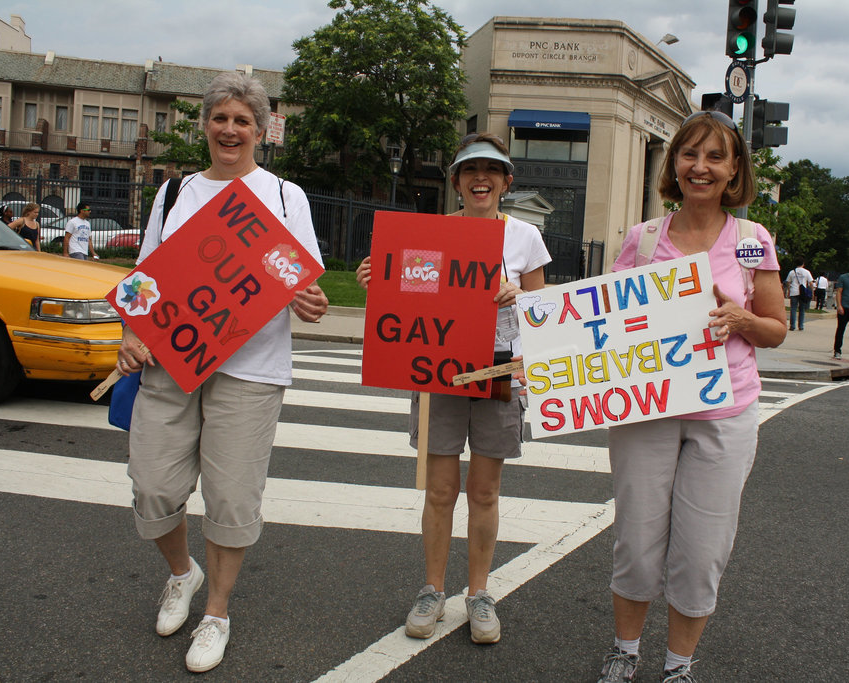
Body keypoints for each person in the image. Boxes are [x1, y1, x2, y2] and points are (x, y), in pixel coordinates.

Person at [116, 72, 329, 673]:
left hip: (251, 369)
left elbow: (303, 286)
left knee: (232, 496)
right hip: (172, 358)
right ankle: (181, 575)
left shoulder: (286, 197)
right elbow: (144, 276)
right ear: (205, 125)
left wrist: (308, 302)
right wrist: (130, 333)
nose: (230, 129)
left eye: (243, 120)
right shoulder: (173, 192)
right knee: (153, 483)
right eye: (220, 118)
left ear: (261, 131)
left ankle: (216, 611)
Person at [595, 110, 786, 683]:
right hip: (646, 409)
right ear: (673, 165)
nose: (700, 167)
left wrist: (744, 318)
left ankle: (678, 667)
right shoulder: (644, 239)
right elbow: (602, 320)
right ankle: (625, 654)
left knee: (702, 549)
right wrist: (552, 362)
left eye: (715, 157)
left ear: (734, 171)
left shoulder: (752, 242)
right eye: (689, 155)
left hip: (724, 414)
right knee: (637, 539)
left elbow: (775, 327)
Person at [355, 132, 551, 645]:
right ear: (457, 182)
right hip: (438, 373)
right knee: (440, 490)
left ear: (506, 181)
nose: (479, 178)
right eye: (469, 170)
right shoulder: (433, 233)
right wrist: (380, 277)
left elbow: (545, 310)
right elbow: (411, 294)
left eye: (490, 170)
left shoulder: (526, 238)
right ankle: (433, 589)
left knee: (485, 491)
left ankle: (480, 592)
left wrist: (521, 298)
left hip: (499, 373)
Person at [784, 257, 813, 330]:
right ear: (803, 263)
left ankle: (792, 326)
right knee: (802, 309)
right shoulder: (806, 272)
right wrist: (812, 292)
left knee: (793, 308)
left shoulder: (792, 272)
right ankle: (801, 326)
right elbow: (811, 282)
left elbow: (788, 282)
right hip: (803, 293)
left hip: (794, 291)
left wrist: (788, 290)